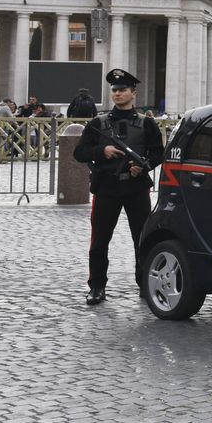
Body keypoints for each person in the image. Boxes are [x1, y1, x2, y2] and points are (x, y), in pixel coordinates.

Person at [73, 68, 164, 305]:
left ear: (133, 93)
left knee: (142, 239)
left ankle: (145, 283)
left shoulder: (147, 124)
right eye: (114, 90)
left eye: (122, 90)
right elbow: (79, 152)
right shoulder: (97, 123)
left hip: (136, 189)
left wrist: (142, 167)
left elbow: (157, 154)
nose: (117, 94)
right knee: (100, 240)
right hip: (106, 188)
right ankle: (97, 286)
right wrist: (101, 151)